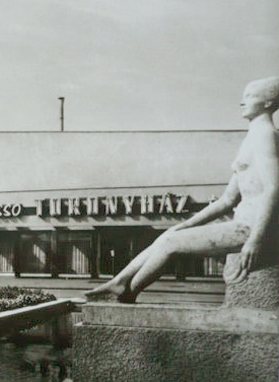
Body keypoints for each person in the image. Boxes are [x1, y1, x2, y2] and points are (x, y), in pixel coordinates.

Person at [84, 76, 279, 303]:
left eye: (250, 96)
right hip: (244, 225)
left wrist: (255, 240)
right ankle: (120, 282)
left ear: (268, 102)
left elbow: (273, 188)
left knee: (170, 243)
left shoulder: (265, 135)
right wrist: (184, 225)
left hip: (251, 228)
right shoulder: (253, 137)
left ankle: (127, 292)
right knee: (170, 235)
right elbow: (227, 200)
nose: (242, 102)